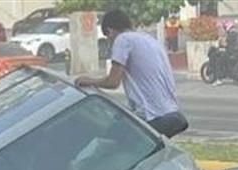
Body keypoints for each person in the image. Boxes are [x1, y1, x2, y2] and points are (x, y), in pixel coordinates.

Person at [76, 9, 188, 139]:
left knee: (104, 142)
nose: (110, 42)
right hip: (172, 111)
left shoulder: (122, 40)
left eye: (108, 38)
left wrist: (88, 81)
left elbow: (113, 82)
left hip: (151, 116)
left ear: (110, 31)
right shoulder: (149, 39)